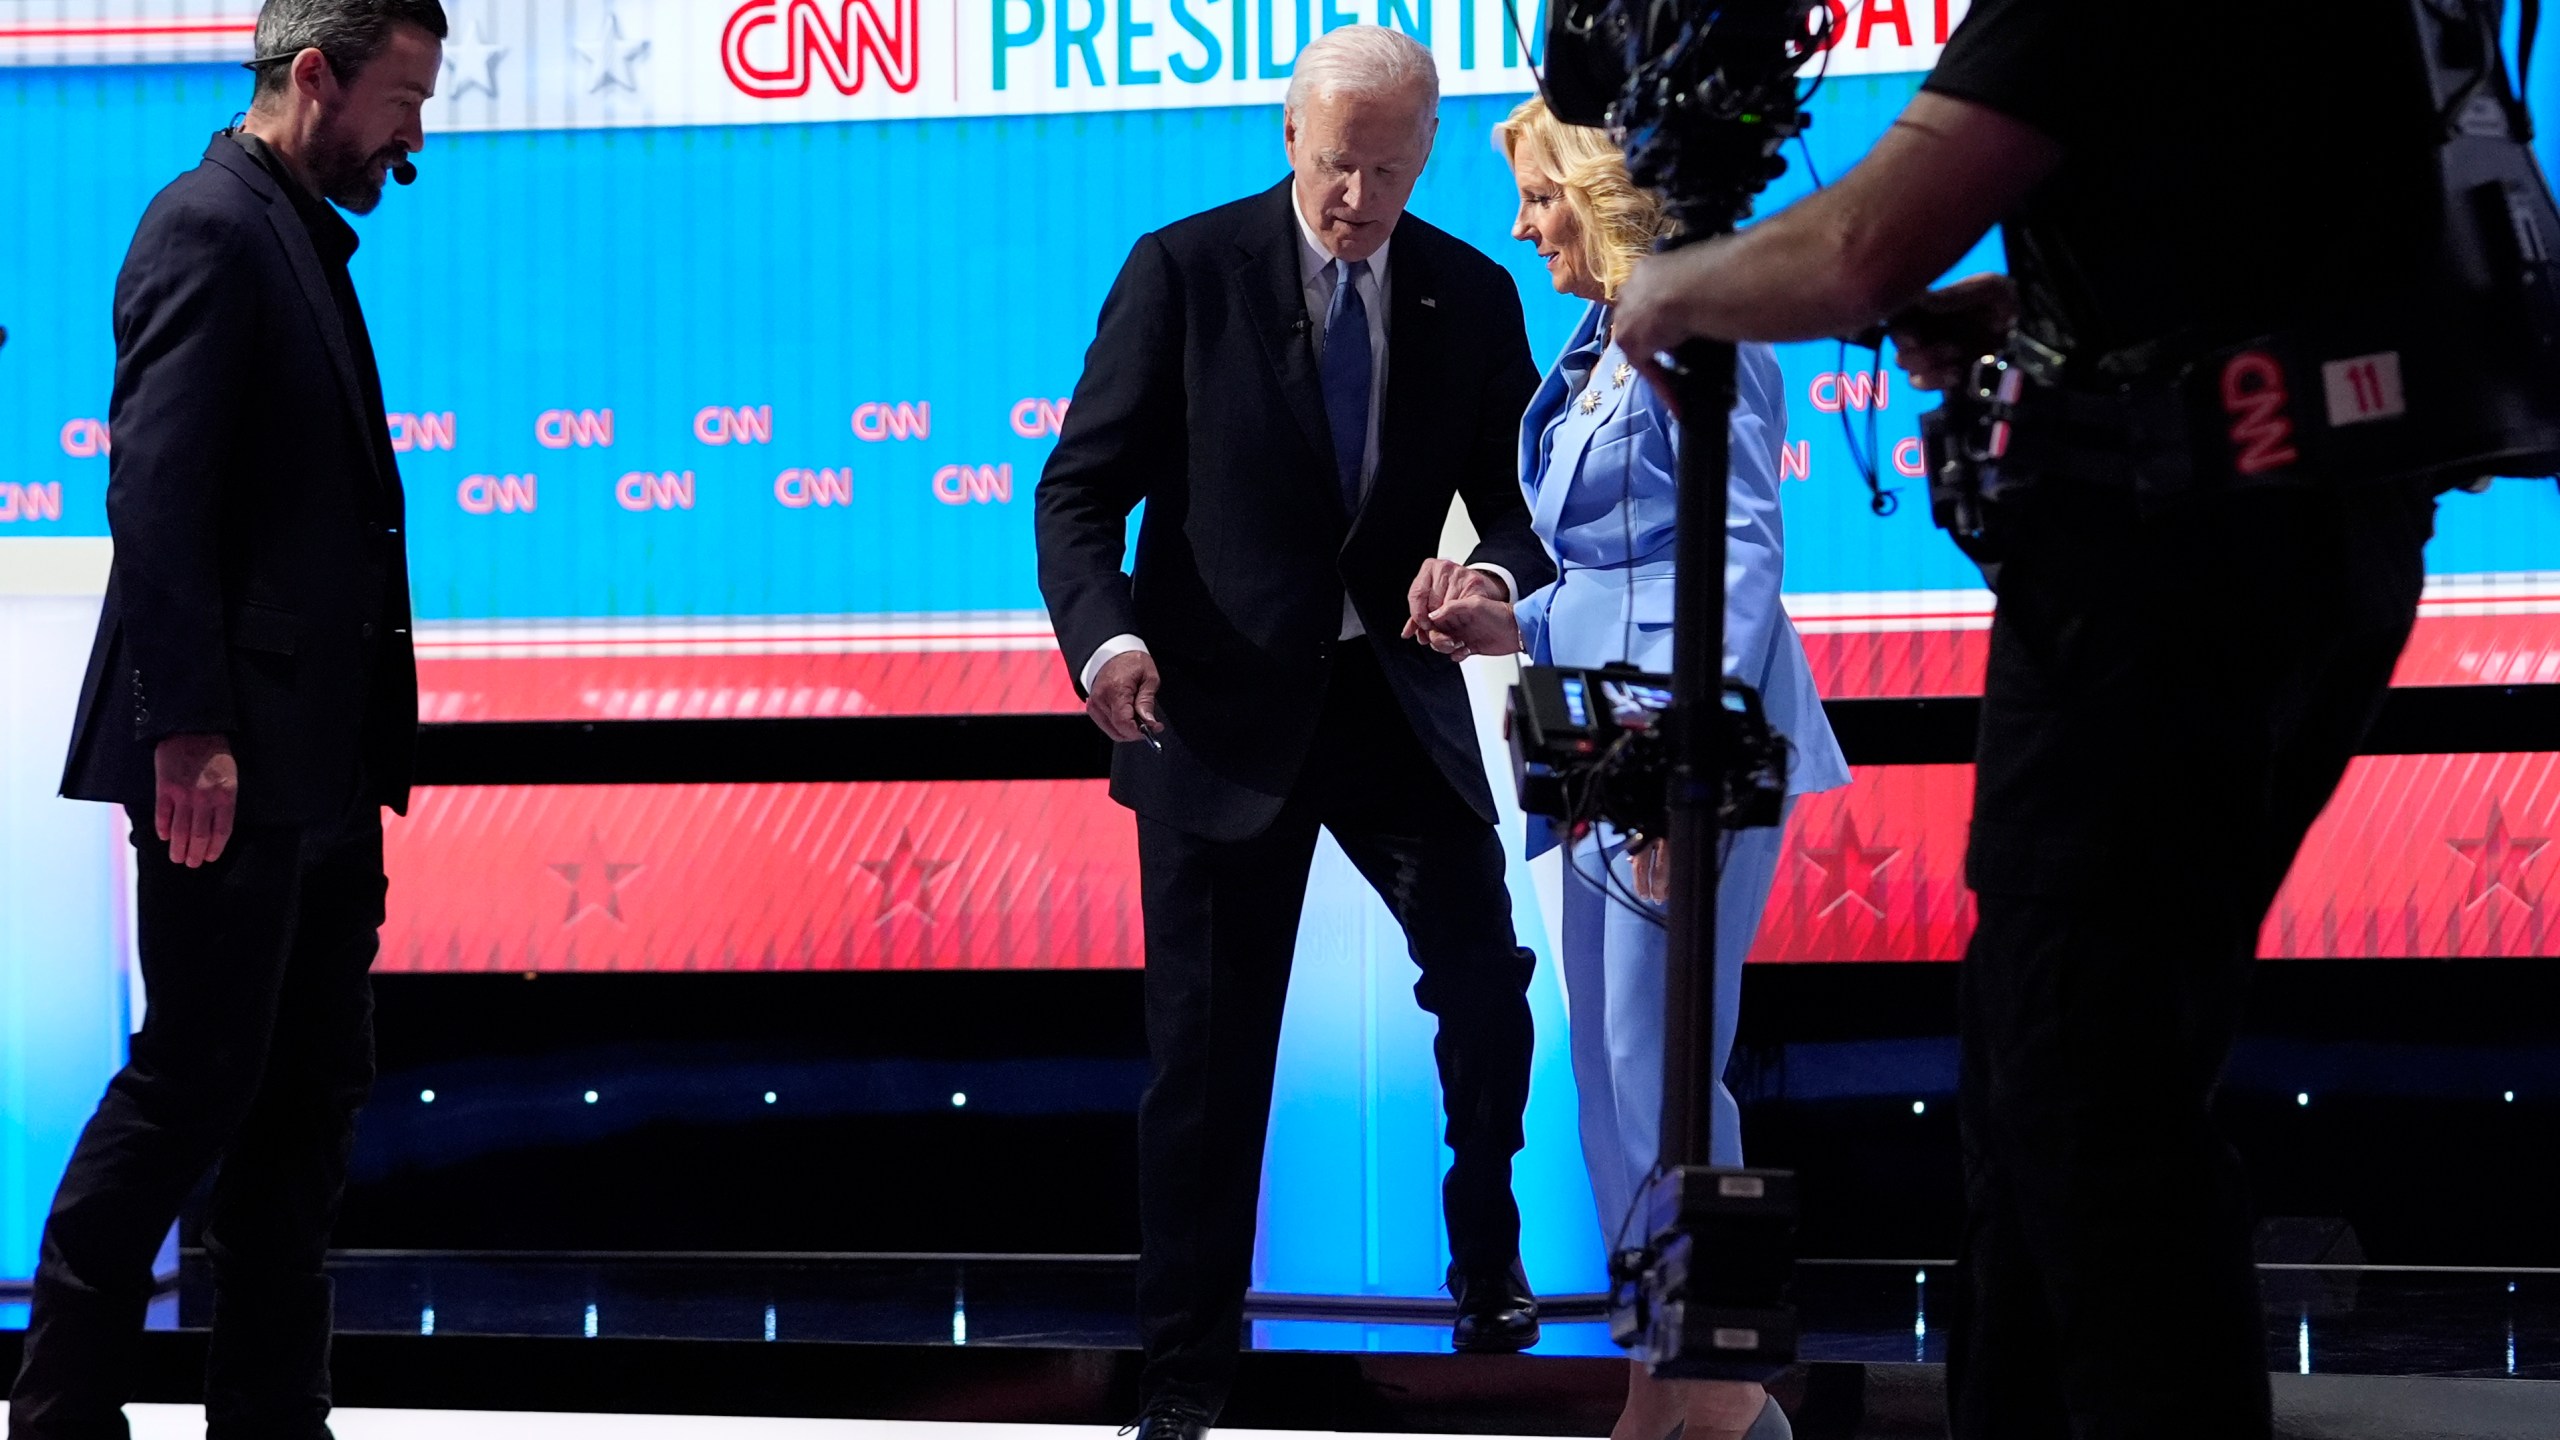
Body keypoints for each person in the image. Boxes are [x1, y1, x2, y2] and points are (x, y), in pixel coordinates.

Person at [1609, 4, 2445, 1436]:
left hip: (2158, 591)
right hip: (2306, 559)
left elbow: (1862, 244)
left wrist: (1668, 291)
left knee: (2082, 1105)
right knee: (2053, 1090)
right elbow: (2255, 245)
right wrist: (2040, 313)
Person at [1033, 24, 1559, 1440]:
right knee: (1204, 1070)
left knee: (1486, 986)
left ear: (1426, 156)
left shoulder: (1470, 291)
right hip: (1210, 717)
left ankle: (1487, 1249)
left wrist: (1493, 576)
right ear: (1288, 139)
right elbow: (1079, 494)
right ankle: (1187, 1376)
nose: (1357, 201)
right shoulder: (1181, 272)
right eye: (1337, 168)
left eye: (1388, 173)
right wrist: (1112, 640)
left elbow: (1523, 502)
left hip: (1391, 703)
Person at [11, 2, 444, 1435]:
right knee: (195, 1082)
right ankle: (63, 1406)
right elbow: (157, 493)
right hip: (231, 760)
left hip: (318, 765)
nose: (415, 136)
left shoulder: (294, 231)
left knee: (306, 1101)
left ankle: (272, 1413)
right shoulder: (207, 223)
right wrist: (186, 728)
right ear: (311, 76)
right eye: (400, 99)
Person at [1419, 98, 1845, 1440]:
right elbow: (1607, 567)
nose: (1519, 223)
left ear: (1594, 194)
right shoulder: (1598, 345)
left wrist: (1681, 756)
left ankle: (1717, 1386)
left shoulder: (1701, 329)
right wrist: (1515, 620)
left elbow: (1738, 561)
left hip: (1678, 741)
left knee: (1664, 1072)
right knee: (1607, 1079)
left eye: (1537, 196)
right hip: (1585, 730)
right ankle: (1666, 1382)